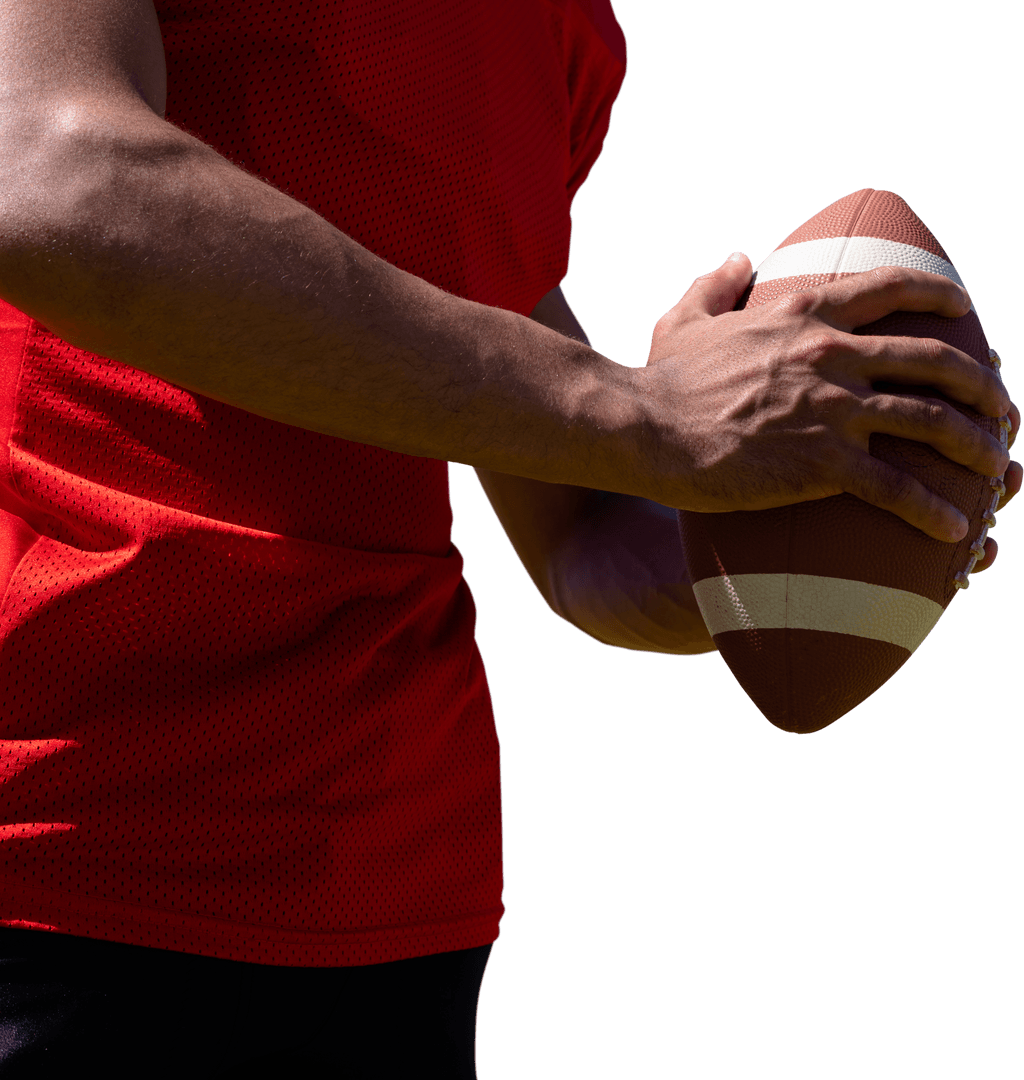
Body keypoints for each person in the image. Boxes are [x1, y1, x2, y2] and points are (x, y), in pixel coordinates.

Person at [0, 1, 1017, 1077]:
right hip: (69, 848)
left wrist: (815, 529)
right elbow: (52, 178)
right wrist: (648, 414)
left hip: (396, 887)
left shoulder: (560, 32)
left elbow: (579, 539)